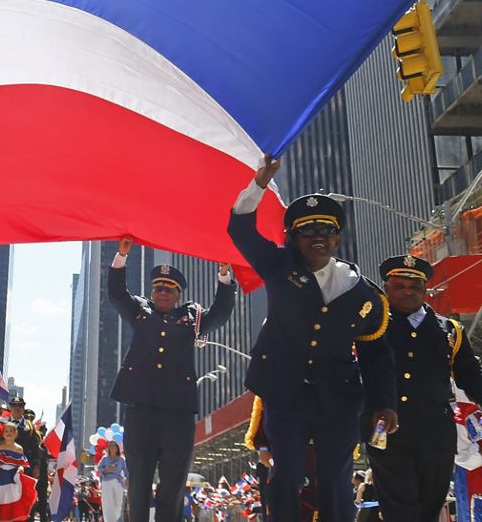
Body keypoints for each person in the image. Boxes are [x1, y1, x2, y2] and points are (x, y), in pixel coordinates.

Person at [227, 154, 397, 522]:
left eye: (326, 231)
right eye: (307, 231)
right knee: (287, 473)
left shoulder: (364, 293)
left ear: (336, 238)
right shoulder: (277, 266)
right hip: (285, 392)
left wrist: (385, 403)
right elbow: (240, 229)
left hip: (338, 397)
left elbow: (376, 353)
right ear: (291, 238)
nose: (317, 238)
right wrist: (258, 184)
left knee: (335, 476)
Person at [107, 237, 236, 522]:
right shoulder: (140, 312)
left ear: (178, 294)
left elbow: (221, 313)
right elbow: (117, 294)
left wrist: (225, 276)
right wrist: (121, 256)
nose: (163, 292)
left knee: (174, 482)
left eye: (169, 289)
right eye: (158, 287)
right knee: (139, 481)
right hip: (141, 410)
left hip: (177, 414)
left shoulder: (191, 318)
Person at [367, 254, 482, 522]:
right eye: (400, 285)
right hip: (383, 430)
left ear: (425, 290)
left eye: (415, 286)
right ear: (386, 288)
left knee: (430, 507)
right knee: (400, 508)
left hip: (436, 433)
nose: (408, 291)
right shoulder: (372, 325)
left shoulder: (450, 330)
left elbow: (470, 376)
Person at [0, 422, 37, 522]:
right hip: (0, 477)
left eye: (11, 431)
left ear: (16, 434)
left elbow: (21, 463)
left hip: (12, 477)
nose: (8, 433)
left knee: (11, 499)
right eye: (6, 431)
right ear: (2, 434)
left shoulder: (19, 449)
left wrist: (21, 468)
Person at [96, 442, 127, 522]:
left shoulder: (122, 459)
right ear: (108, 449)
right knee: (107, 503)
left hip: (118, 482)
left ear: (117, 448)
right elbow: (98, 469)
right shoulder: (104, 458)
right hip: (107, 482)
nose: (112, 448)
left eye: (114, 446)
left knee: (118, 505)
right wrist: (106, 470)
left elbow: (127, 471)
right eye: (110, 446)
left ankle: (114, 519)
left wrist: (128, 479)